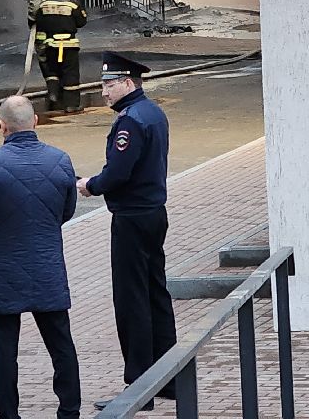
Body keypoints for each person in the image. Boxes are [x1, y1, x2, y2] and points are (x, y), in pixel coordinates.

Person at [0, 95, 81, 419]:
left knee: (4, 349)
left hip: (5, 266)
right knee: (61, 344)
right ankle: (69, 411)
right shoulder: (60, 160)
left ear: (2, 126)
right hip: (47, 264)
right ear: (36, 122)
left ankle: (9, 414)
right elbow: (66, 210)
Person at [77, 54, 176, 409]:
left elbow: (118, 173)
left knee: (132, 300)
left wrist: (91, 185)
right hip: (153, 213)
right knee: (156, 295)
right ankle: (169, 379)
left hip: (132, 218)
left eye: (108, 84)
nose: (103, 92)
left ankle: (138, 386)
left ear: (128, 83)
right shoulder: (153, 112)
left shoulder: (130, 122)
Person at [30, 0, 87, 111]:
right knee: (70, 73)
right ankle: (71, 105)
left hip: (50, 45)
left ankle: (53, 95)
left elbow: (36, 21)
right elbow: (81, 22)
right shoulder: (73, 6)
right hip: (69, 46)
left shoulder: (43, 6)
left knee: (52, 71)